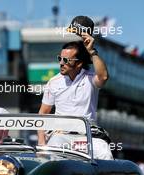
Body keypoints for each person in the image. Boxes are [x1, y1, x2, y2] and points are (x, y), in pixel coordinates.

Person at [37, 16, 113, 160]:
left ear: (78, 64)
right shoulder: (53, 82)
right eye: (59, 58)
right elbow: (43, 114)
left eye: (66, 60)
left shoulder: (90, 78)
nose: (61, 63)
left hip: (88, 136)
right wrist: (41, 142)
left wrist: (92, 51)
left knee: (105, 154)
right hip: (61, 135)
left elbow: (103, 77)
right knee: (52, 152)